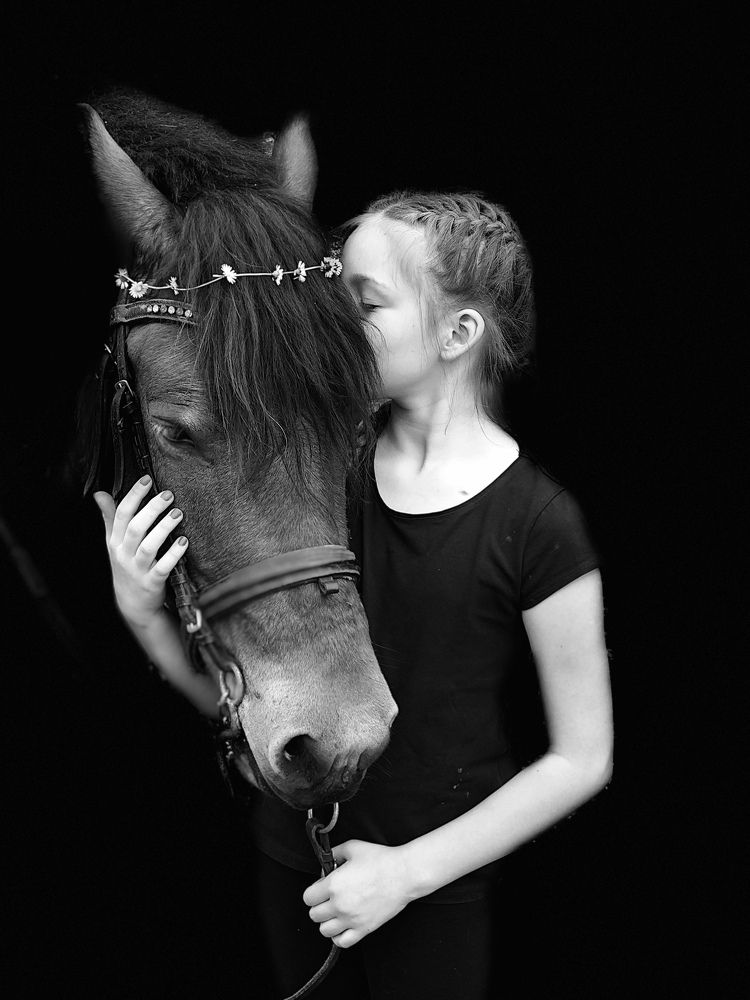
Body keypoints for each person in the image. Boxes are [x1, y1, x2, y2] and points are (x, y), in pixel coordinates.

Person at [94, 190, 613, 999]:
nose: (328, 319)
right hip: (294, 870)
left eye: (362, 303)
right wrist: (140, 610)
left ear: (458, 333)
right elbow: (240, 701)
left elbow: (583, 757)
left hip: (433, 889)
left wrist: (409, 873)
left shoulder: (537, 523)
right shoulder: (323, 468)